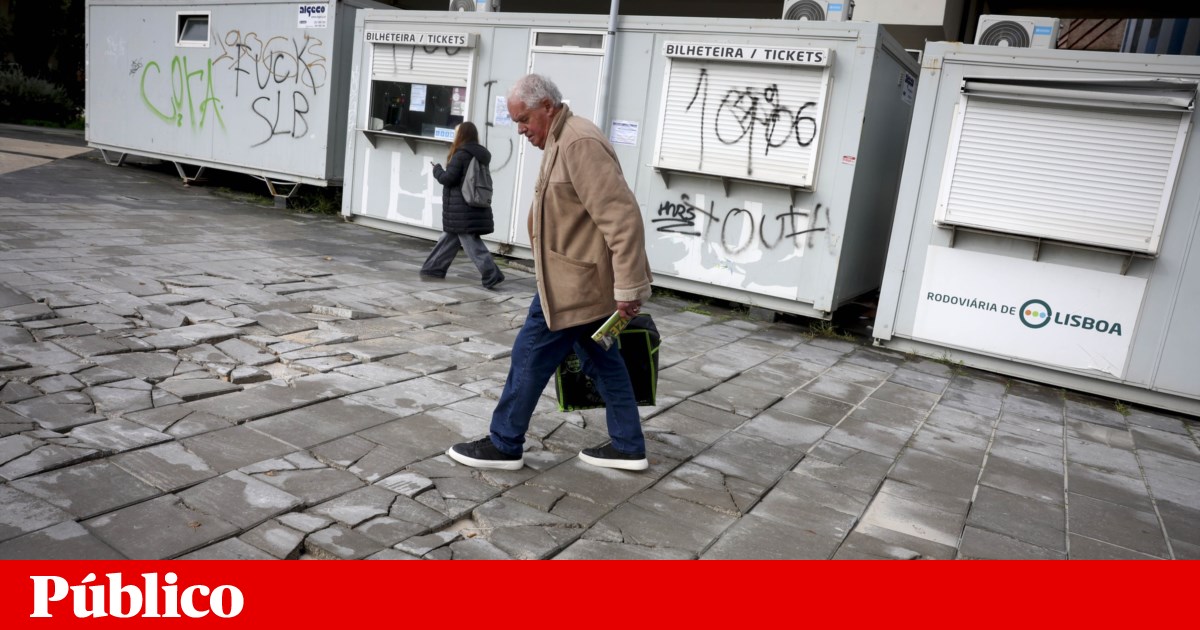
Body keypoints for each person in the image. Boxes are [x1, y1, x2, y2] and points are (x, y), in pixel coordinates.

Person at [447, 73, 653, 472]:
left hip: (571, 285)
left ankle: (504, 443)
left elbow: (621, 218)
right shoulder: (560, 138)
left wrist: (629, 286)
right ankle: (629, 446)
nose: (521, 130)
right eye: (516, 122)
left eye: (523, 120)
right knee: (605, 363)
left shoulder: (579, 142)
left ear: (547, 107)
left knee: (529, 357)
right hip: (574, 280)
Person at [421, 122, 505, 290]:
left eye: (456, 132)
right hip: (468, 206)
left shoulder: (461, 154)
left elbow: (448, 179)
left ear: (462, 135)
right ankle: (433, 269)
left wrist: (437, 170)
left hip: (462, 209)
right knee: (449, 238)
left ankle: (491, 273)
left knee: (471, 243)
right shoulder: (479, 154)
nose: (454, 135)